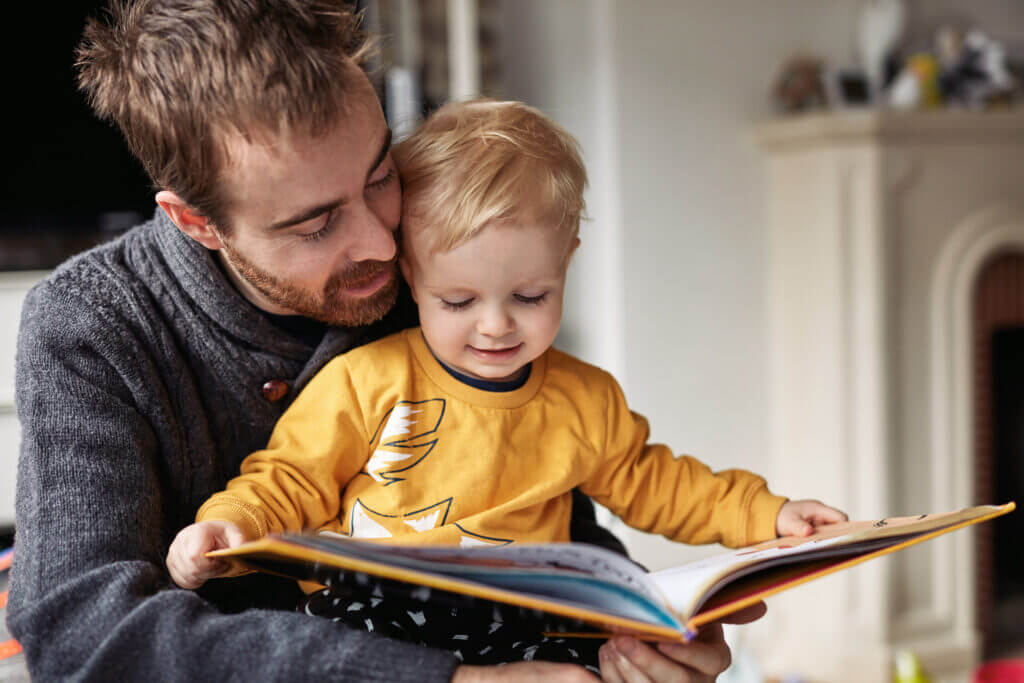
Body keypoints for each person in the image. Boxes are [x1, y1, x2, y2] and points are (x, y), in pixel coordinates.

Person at [6, 1, 768, 681]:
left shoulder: (436, 272)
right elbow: (86, 637)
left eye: (379, 175)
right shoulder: (92, 324)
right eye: (315, 223)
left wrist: (631, 631)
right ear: (195, 222)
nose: (381, 240)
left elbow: (542, 505)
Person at [166, 100, 848, 669]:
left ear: (567, 260)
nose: (495, 326)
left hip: (525, 613)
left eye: (529, 294)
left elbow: (660, 482)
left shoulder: (585, 399)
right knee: (342, 628)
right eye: (458, 302)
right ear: (411, 273)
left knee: (608, 655)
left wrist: (769, 515)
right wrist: (231, 526)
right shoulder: (368, 379)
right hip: (388, 606)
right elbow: (291, 478)